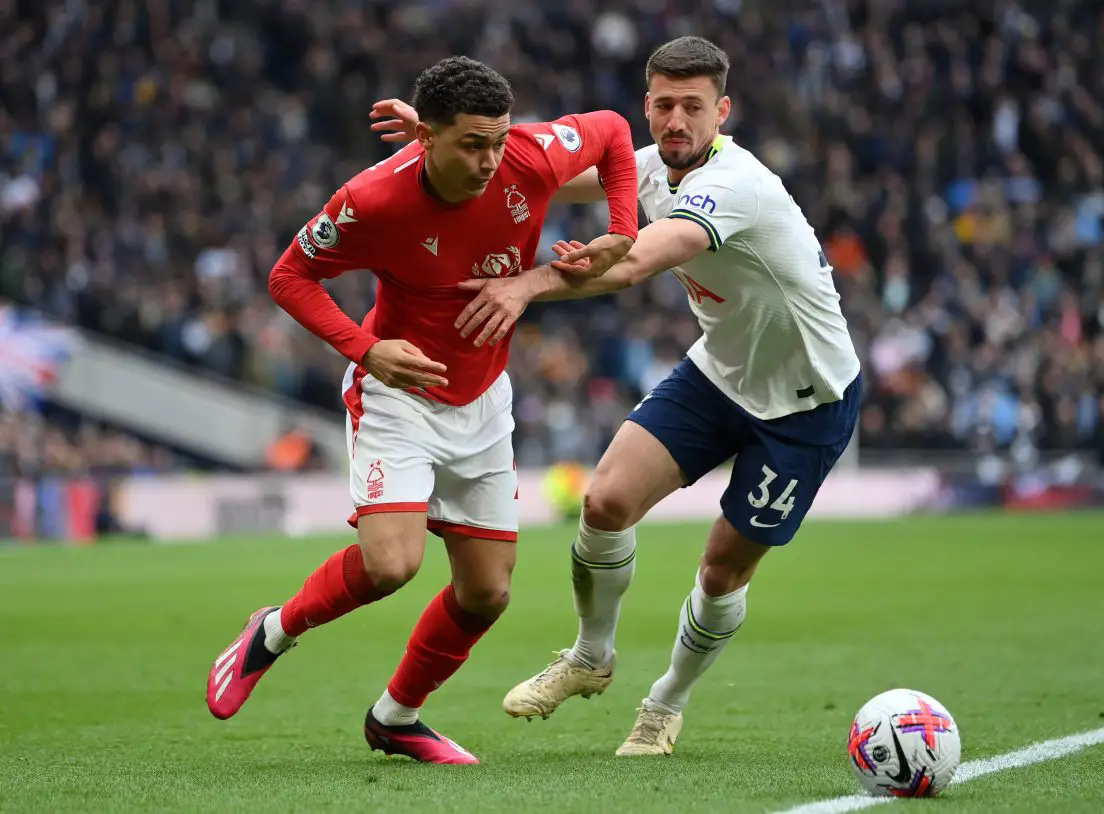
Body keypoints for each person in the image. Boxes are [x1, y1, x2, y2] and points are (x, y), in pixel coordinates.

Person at [376, 36, 861, 756]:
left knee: (723, 568)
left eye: (693, 107)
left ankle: (666, 702)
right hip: (720, 372)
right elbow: (525, 165)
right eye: (663, 104)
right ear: (647, 105)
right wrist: (433, 139)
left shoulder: (737, 185)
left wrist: (527, 284)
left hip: (806, 400)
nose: (676, 121)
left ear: (721, 112)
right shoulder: (646, 168)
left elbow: (638, 258)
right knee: (605, 502)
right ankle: (591, 657)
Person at [204, 56, 639, 765]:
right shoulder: (373, 201)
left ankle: (396, 718)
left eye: (497, 140)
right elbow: (289, 275)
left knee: (487, 594)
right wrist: (367, 349)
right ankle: (273, 631)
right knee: (391, 566)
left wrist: (621, 227)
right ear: (426, 138)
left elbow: (616, 132)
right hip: (398, 396)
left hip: (483, 399)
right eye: (472, 144)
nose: (490, 159)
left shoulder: (526, 157)